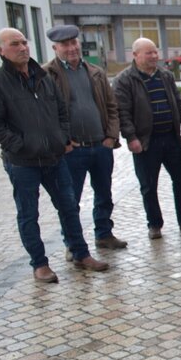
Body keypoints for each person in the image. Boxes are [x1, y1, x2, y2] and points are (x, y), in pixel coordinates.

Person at [0, 27, 109, 283]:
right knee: (29, 214)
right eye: (15, 44)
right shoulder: (0, 82)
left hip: (54, 158)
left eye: (24, 42)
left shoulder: (42, 76)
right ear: (0, 50)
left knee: (69, 207)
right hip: (22, 162)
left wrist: (62, 138)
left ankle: (81, 254)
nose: (22, 47)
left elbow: (61, 110)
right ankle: (40, 264)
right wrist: (21, 145)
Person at [43, 25, 127, 253]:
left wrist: (111, 136)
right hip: (72, 151)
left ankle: (104, 234)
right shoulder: (47, 75)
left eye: (74, 43)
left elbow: (112, 106)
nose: (71, 48)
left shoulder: (95, 72)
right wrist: (64, 142)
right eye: (65, 45)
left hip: (101, 145)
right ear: (55, 48)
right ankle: (73, 244)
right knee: (70, 201)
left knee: (104, 195)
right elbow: (46, 114)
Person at [114, 38, 181, 239]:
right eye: (148, 53)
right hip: (146, 141)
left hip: (171, 137)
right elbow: (122, 112)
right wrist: (131, 137)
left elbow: (179, 102)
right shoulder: (125, 80)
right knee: (149, 185)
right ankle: (154, 224)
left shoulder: (165, 75)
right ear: (135, 55)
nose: (154, 56)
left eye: (155, 52)